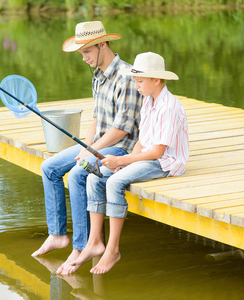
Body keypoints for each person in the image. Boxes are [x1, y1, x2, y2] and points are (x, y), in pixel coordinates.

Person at [31, 21, 143, 275]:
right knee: (49, 167)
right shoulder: (98, 75)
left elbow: (122, 129)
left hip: (121, 149)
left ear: (102, 45)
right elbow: (96, 117)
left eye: (87, 52)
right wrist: (86, 145)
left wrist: (91, 152)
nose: (83, 58)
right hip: (101, 145)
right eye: (81, 53)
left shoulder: (126, 77)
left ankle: (83, 246)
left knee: (79, 174)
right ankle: (58, 234)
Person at [64, 51, 189, 274]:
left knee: (114, 183)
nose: (136, 85)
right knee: (96, 177)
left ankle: (113, 250)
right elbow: (143, 140)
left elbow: (157, 151)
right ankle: (94, 242)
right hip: (148, 156)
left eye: (139, 81)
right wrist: (127, 162)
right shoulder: (148, 101)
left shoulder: (168, 107)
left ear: (156, 80)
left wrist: (122, 160)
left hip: (166, 162)